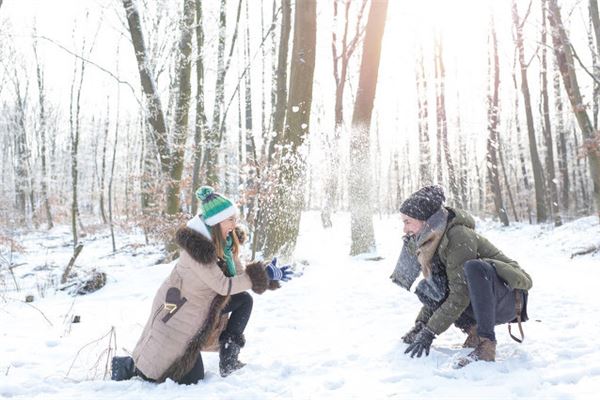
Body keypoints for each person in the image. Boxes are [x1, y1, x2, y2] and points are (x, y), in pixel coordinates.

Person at [111, 186, 292, 384]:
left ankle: (228, 359)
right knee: (177, 376)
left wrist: (267, 276)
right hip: (177, 315)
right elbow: (223, 285)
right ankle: (128, 367)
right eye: (230, 219)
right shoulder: (197, 252)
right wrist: (259, 276)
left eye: (235, 219)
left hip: (200, 308)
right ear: (216, 223)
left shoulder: (225, 243)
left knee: (244, 300)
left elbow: (239, 276)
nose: (235, 224)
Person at [390, 185, 532, 367]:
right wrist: (421, 325)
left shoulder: (457, 236)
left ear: (425, 220)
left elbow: (460, 294)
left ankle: (486, 344)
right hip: (486, 299)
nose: (404, 229)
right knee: (431, 285)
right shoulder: (431, 240)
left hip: (510, 298)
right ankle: (473, 331)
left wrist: (430, 332)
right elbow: (437, 291)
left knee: (473, 268)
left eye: (408, 221)